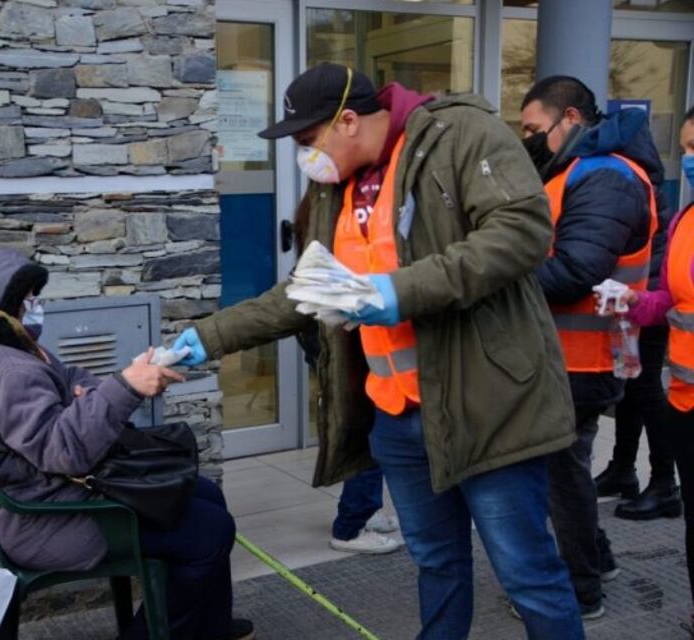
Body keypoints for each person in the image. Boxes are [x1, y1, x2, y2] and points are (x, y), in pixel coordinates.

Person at [177, 63, 582, 639]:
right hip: (396, 415)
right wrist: (208, 337)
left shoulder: (461, 134)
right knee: (436, 563)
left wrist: (398, 291)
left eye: (307, 139)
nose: (304, 157)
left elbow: (521, 231)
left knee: (527, 574)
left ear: (347, 121)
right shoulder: (336, 184)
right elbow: (305, 291)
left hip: (488, 406)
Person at [0, 244, 253, 640]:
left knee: (207, 494)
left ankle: (210, 628)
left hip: (49, 493)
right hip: (47, 517)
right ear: (0, 302)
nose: (34, 304)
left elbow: (68, 376)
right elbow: (63, 452)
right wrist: (126, 388)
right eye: (26, 298)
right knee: (212, 532)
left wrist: (103, 388)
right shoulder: (7, 368)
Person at [520, 76, 661, 618]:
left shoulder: (605, 176)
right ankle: (596, 560)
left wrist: (492, 277)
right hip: (568, 356)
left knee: (562, 476)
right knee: (568, 470)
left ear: (572, 118)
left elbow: (575, 271)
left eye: (534, 128)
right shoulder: (581, 170)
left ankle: (580, 591)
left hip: (582, 360)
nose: (529, 139)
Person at [604, 105, 694, 634]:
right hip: (684, 399)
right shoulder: (684, 219)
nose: (688, 159)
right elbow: (672, 298)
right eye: (684, 148)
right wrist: (636, 302)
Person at [294, 194, 402, 555]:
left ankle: (365, 511)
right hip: (339, 338)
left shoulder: (319, 208)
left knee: (366, 424)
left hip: (331, 335)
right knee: (365, 427)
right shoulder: (341, 215)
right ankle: (351, 525)